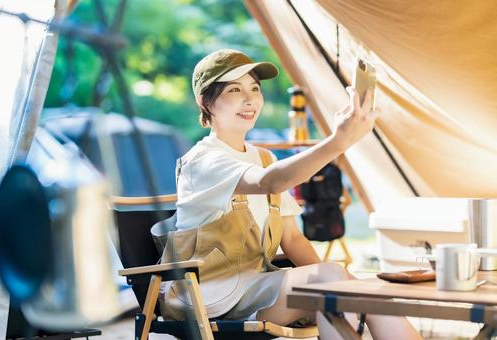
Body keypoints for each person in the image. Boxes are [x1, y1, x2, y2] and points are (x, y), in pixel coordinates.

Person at [159, 49, 421, 339]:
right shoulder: (203, 161)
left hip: (257, 289)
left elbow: (293, 239)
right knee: (333, 278)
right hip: (207, 297)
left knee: (369, 292)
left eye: (255, 89)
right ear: (205, 101)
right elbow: (268, 183)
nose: (250, 100)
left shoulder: (264, 159)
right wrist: (338, 142)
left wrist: (351, 287)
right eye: (235, 89)